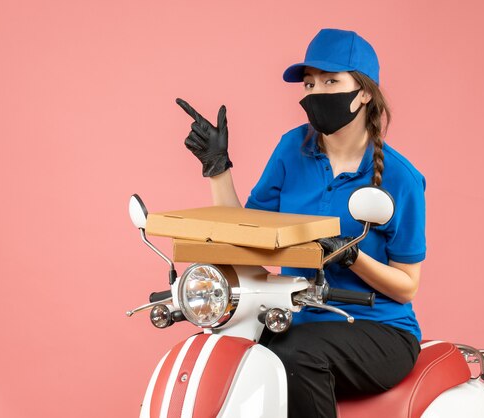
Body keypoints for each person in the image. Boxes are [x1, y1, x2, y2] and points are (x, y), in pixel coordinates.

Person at [176, 28, 425, 418]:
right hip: (294, 317)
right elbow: (248, 238)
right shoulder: (293, 148)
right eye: (310, 83)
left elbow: (407, 286)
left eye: (331, 81)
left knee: (291, 354)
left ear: (363, 92)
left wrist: (350, 256)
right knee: (225, 349)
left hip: (379, 329)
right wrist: (216, 167)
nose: (317, 92)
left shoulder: (400, 177)